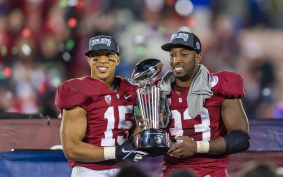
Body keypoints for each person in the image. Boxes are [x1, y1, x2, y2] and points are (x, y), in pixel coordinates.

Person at [153, 31, 250, 177]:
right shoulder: (158, 90)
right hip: (172, 172)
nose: (176, 60)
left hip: (210, 172)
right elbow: (141, 124)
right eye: (173, 54)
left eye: (184, 54)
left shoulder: (218, 86)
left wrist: (197, 147)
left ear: (198, 57)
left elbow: (241, 139)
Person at [55, 35, 147, 177]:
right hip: (90, 171)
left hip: (122, 170)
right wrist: (116, 152)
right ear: (88, 60)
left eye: (108, 55)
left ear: (117, 60)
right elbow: (71, 149)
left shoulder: (131, 89)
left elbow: (133, 139)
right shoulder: (77, 90)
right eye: (96, 56)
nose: (102, 60)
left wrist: (145, 127)